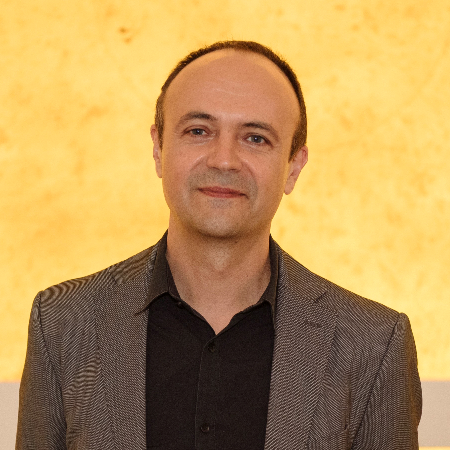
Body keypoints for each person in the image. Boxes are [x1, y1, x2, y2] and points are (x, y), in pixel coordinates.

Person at [16, 41, 422, 449]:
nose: (224, 159)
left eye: (255, 138)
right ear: (158, 149)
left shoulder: (373, 344)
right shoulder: (63, 322)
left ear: (293, 167)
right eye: (198, 131)